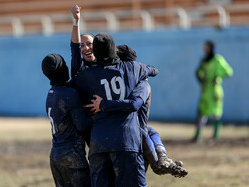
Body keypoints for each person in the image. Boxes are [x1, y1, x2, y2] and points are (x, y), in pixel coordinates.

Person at [71, 5, 187, 178]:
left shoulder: (114, 69)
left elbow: (149, 72)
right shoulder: (83, 72)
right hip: (99, 131)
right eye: (83, 45)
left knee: (146, 131)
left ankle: (160, 160)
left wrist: (141, 77)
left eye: (90, 44)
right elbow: (74, 51)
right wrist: (76, 22)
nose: (86, 48)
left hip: (121, 130)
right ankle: (159, 161)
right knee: (144, 133)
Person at [73, 32, 158, 187]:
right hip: (127, 141)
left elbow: (73, 76)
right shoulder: (133, 68)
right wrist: (146, 73)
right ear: (114, 49)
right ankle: (161, 158)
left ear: (96, 53)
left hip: (98, 145)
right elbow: (154, 70)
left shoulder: (87, 75)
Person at [41, 53, 92, 187]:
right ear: (61, 70)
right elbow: (82, 125)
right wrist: (100, 112)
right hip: (72, 156)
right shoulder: (69, 94)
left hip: (55, 156)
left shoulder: (51, 93)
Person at [193, 40, 233, 142]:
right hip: (205, 91)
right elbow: (199, 72)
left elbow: (228, 71)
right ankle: (197, 136)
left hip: (215, 91)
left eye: (206, 47)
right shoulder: (203, 61)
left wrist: (218, 76)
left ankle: (215, 136)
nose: (205, 50)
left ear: (211, 48)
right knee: (201, 112)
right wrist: (199, 76)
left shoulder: (217, 59)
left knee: (216, 113)